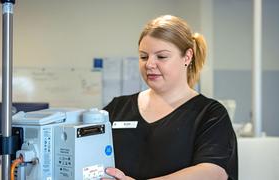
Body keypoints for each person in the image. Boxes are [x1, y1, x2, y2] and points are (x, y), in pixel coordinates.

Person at [102, 15, 238, 180]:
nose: (149, 64)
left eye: (161, 57)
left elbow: (212, 172)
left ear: (187, 57)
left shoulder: (210, 114)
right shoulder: (117, 108)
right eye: (144, 56)